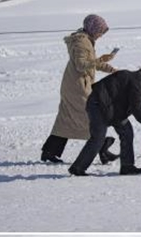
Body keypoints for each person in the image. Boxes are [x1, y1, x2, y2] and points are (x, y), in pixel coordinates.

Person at [42, 14, 119, 164]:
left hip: (75, 84)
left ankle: (49, 152)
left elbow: (90, 63)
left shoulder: (86, 41)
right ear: (92, 29)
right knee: (91, 116)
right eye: (100, 32)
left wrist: (110, 69)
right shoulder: (81, 43)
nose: (100, 36)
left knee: (66, 119)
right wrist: (101, 60)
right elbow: (81, 65)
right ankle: (102, 147)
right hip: (78, 87)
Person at [68, 61, 141, 177]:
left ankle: (127, 166)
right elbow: (136, 108)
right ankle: (77, 168)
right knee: (98, 138)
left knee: (127, 132)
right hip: (98, 105)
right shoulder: (138, 83)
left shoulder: (139, 81)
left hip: (113, 109)